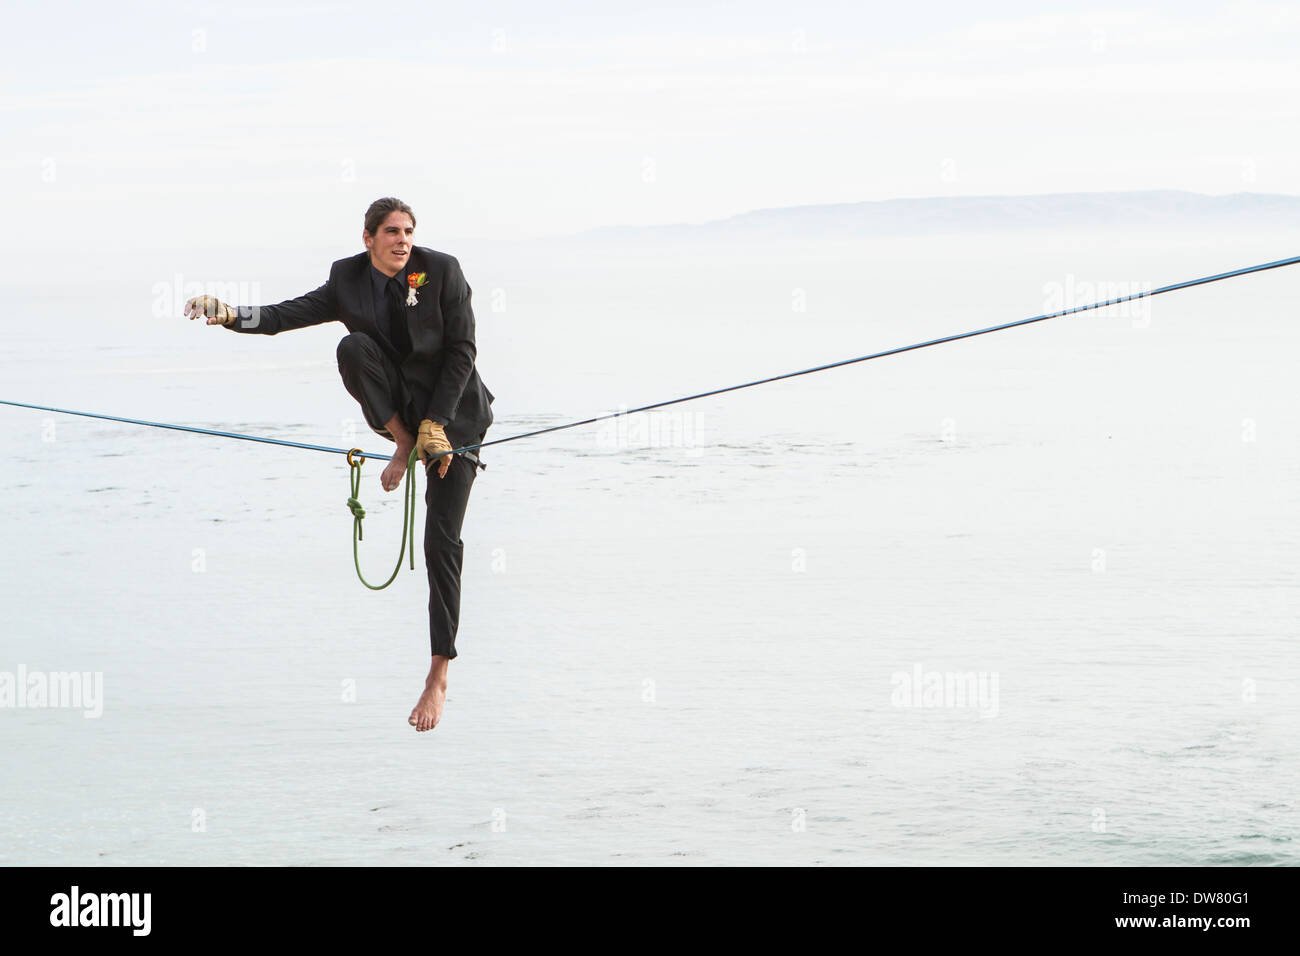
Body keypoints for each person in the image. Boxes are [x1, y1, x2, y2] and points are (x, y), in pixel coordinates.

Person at [183, 197, 494, 733]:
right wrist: (229, 313)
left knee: (441, 540)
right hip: (402, 411)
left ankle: (438, 672)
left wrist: (437, 424)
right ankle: (401, 442)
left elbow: (462, 350)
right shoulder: (347, 281)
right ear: (368, 237)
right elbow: (284, 316)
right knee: (352, 348)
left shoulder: (440, 271)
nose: (403, 241)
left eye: (409, 232)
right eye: (392, 232)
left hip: (455, 415)